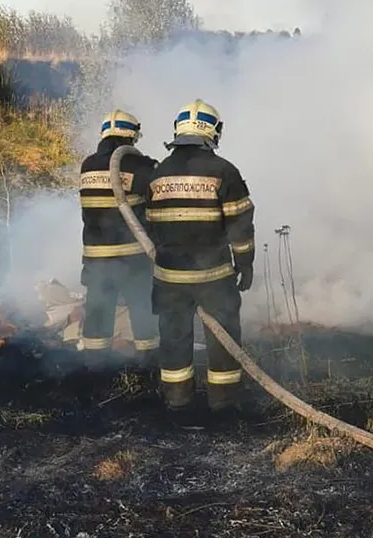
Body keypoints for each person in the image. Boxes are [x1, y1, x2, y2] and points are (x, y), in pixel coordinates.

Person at [145, 99, 255, 417]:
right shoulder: (224, 171)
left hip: (169, 278)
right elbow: (240, 225)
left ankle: (177, 401)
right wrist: (244, 264)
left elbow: (150, 224)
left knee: (174, 337)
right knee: (222, 341)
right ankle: (222, 404)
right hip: (214, 277)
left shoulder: (158, 174)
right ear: (213, 131)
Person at [78, 109, 160, 363]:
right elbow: (157, 205)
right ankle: (147, 365)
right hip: (133, 258)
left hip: (96, 259)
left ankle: (94, 369)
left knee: (98, 310)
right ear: (132, 136)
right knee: (142, 309)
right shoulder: (140, 166)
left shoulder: (88, 165)